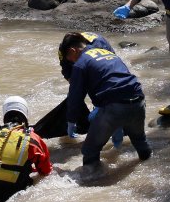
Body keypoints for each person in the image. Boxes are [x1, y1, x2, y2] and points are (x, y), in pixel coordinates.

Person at [59, 32, 152, 168]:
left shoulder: (80, 63)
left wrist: (71, 120)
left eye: (69, 58)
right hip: (138, 101)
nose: (71, 62)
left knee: (89, 150)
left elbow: (75, 96)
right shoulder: (107, 52)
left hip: (114, 107)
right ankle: (148, 166)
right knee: (140, 141)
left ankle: (91, 182)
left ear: (73, 50)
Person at [0, 96, 53, 202]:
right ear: (24, 116)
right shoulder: (33, 139)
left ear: (5, 115)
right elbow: (46, 170)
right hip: (13, 198)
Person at [57, 31, 124, 147]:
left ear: (74, 51)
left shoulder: (99, 46)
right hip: (79, 54)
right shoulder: (64, 51)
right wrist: (76, 91)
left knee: (106, 98)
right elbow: (69, 75)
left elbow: (109, 74)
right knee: (76, 93)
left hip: (103, 64)